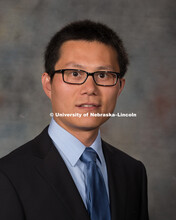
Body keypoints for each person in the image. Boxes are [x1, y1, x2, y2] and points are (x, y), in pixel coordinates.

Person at [0, 20, 149, 220]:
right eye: (75, 73)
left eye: (103, 75)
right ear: (48, 84)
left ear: (119, 87)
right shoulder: (8, 176)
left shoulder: (132, 172)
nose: (89, 88)